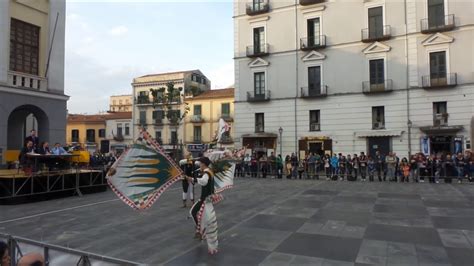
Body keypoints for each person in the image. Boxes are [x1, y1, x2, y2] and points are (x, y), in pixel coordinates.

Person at [187, 157, 218, 254]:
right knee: (205, 218)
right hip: (207, 199)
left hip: (204, 200)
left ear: (203, 164)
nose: (199, 165)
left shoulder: (207, 173)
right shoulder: (209, 171)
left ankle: (199, 230)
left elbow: (204, 181)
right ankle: (200, 231)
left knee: (193, 212)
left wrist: (192, 178)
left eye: (200, 163)